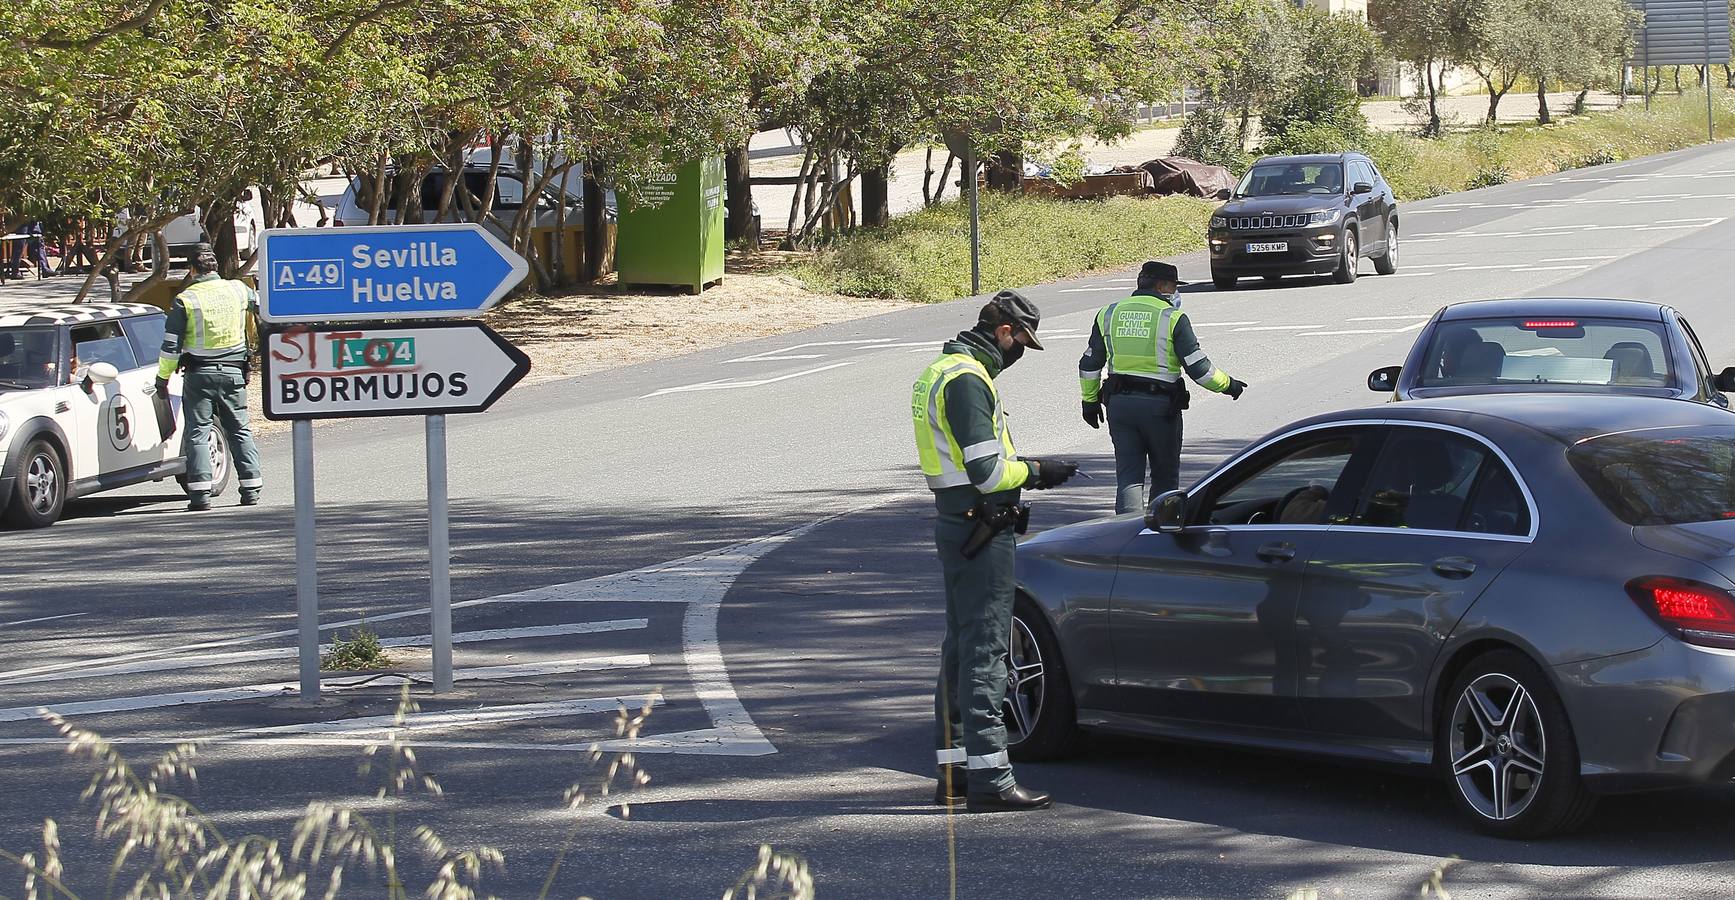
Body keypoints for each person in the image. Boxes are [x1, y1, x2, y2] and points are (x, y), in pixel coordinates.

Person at [913, 289, 1079, 813]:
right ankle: (992, 781)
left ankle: (955, 772)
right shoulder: (967, 380)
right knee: (986, 651)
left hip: (958, 524)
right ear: (1004, 331)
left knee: (960, 649)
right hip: (982, 529)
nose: (1020, 354)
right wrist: (1038, 471)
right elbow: (987, 474)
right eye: (1022, 344)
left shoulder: (939, 371)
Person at [1079, 261, 1247, 515]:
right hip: (1159, 407)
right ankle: (1160, 531)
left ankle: (1125, 535)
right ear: (1161, 286)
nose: (1175, 292)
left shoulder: (1109, 313)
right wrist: (1229, 385)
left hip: (1119, 406)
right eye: (1172, 286)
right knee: (1165, 476)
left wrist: (1089, 402)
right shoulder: (1172, 318)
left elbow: (1089, 364)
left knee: (1129, 476)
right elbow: (1199, 369)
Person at [156, 244, 264, 511]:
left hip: (199, 376)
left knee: (197, 432)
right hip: (234, 373)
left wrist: (163, 378)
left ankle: (201, 494)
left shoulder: (186, 299)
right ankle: (251, 487)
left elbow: (171, 345)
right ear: (215, 266)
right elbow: (264, 309)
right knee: (239, 428)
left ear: (192, 269)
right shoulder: (239, 290)